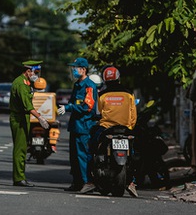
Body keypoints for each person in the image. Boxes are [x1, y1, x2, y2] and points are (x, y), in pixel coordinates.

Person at [93, 66, 138, 197]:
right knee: (133, 151)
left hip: (106, 128)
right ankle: (132, 182)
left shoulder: (102, 95)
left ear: (105, 80)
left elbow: (98, 112)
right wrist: (130, 127)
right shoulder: (129, 94)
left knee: (92, 145)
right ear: (118, 78)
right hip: (125, 129)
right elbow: (133, 115)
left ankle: (90, 179)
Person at [57, 57, 98, 194]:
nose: (73, 70)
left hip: (84, 126)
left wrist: (69, 107)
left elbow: (88, 107)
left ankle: (88, 182)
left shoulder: (89, 86)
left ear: (83, 69)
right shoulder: (77, 85)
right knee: (74, 157)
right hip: (75, 125)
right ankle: (77, 181)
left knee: (83, 156)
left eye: (76, 68)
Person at [9, 60, 49, 187]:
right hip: (19, 118)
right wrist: (40, 118)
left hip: (23, 117)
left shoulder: (26, 83)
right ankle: (19, 178)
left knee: (23, 148)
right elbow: (27, 106)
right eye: (35, 72)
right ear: (28, 71)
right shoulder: (20, 83)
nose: (36, 75)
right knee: (20, 149)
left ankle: (21, 176)